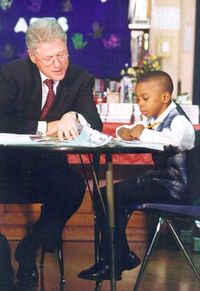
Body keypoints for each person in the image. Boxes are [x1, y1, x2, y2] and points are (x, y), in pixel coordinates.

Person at [0, 18, 102, 287]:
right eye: (48, 59)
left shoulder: (80, 78)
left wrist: (74, 115)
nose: (57, 64)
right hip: (7, 167)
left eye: (62, 55)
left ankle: (29, 246)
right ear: (33, 57)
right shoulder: (12, 75)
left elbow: (95, 123)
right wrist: (48, 126)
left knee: (73, 187)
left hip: (48, 168)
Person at [78, 70, 195, 281]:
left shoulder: (179, 121)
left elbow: (179, 140)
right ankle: (120, 257)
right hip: (160, 180)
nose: (140, 104)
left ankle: (114, 261)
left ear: (165, 97)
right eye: (137, 99)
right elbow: (128, 129)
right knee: (105, 194)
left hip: (175, 188)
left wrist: (141, 132)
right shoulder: (156, 118)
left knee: (110, 197)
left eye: (145, 98)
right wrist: (125, 131)